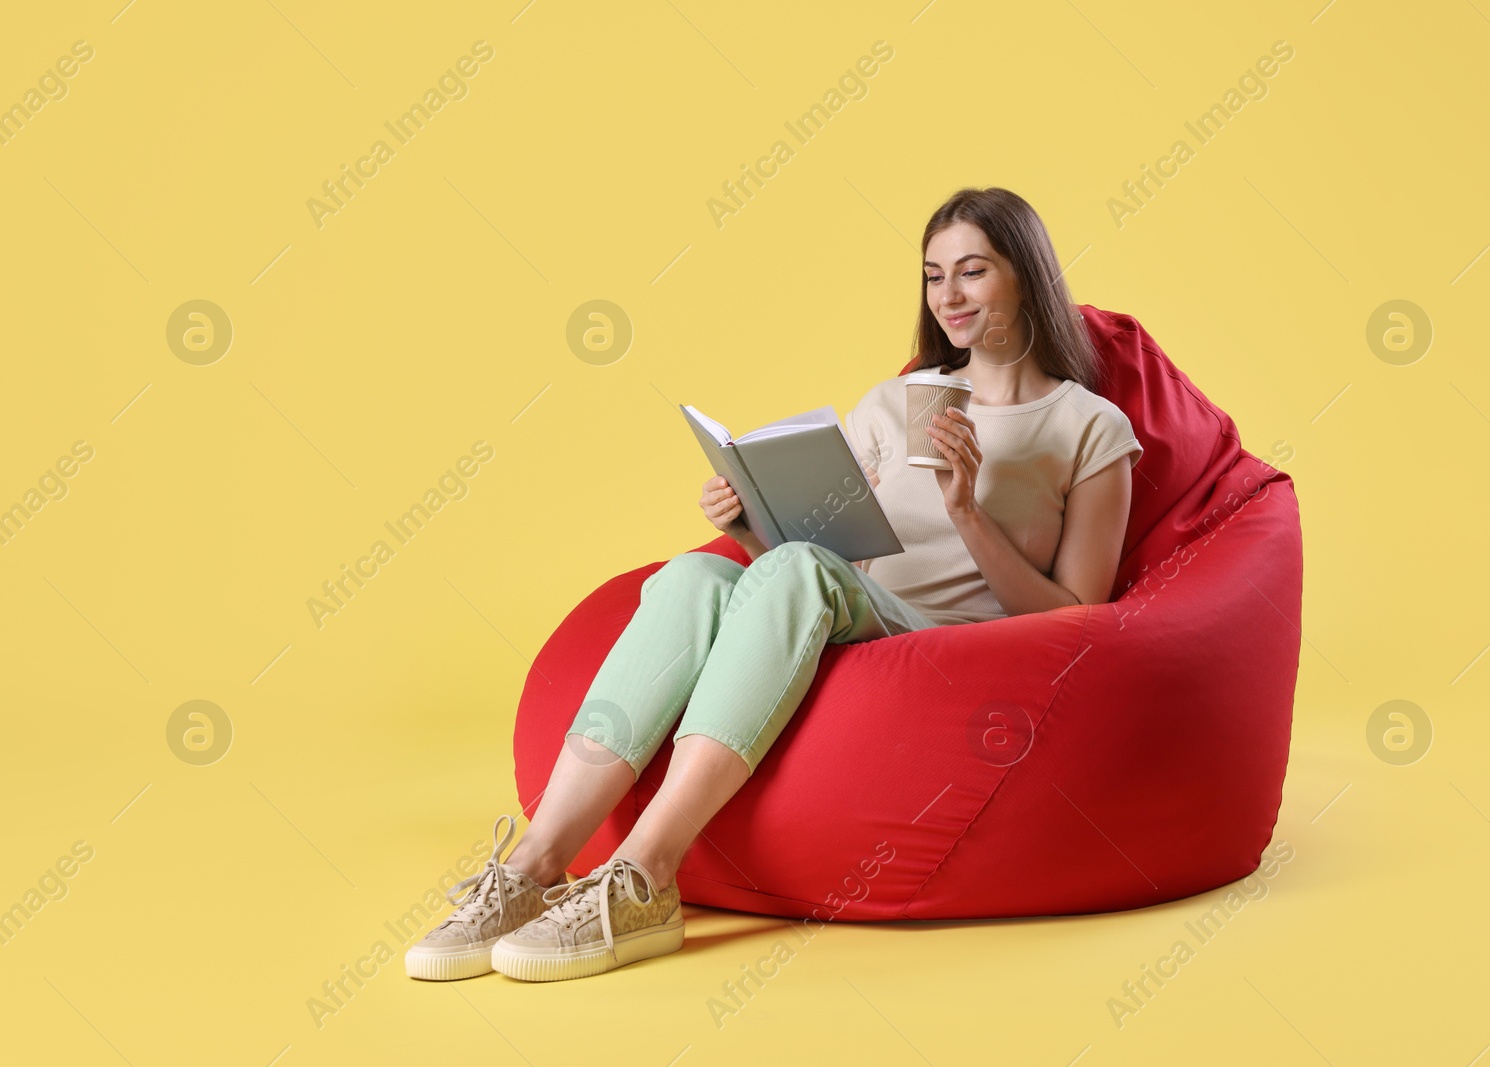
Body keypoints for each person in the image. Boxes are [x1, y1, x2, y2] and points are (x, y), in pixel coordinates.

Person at [405, 186, 1145, 983]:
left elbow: (1081, 615)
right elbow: (828, 562)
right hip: (858, 610)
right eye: (934, 276)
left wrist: (967, 511)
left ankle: (647, 871)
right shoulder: (891, 405)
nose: (950, 297)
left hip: (950, 646)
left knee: (791, 571)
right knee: (691, 575)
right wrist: (747, 528)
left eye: (972, 272)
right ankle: (532, 867)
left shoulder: (1088, 427)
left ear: (1027, 278)